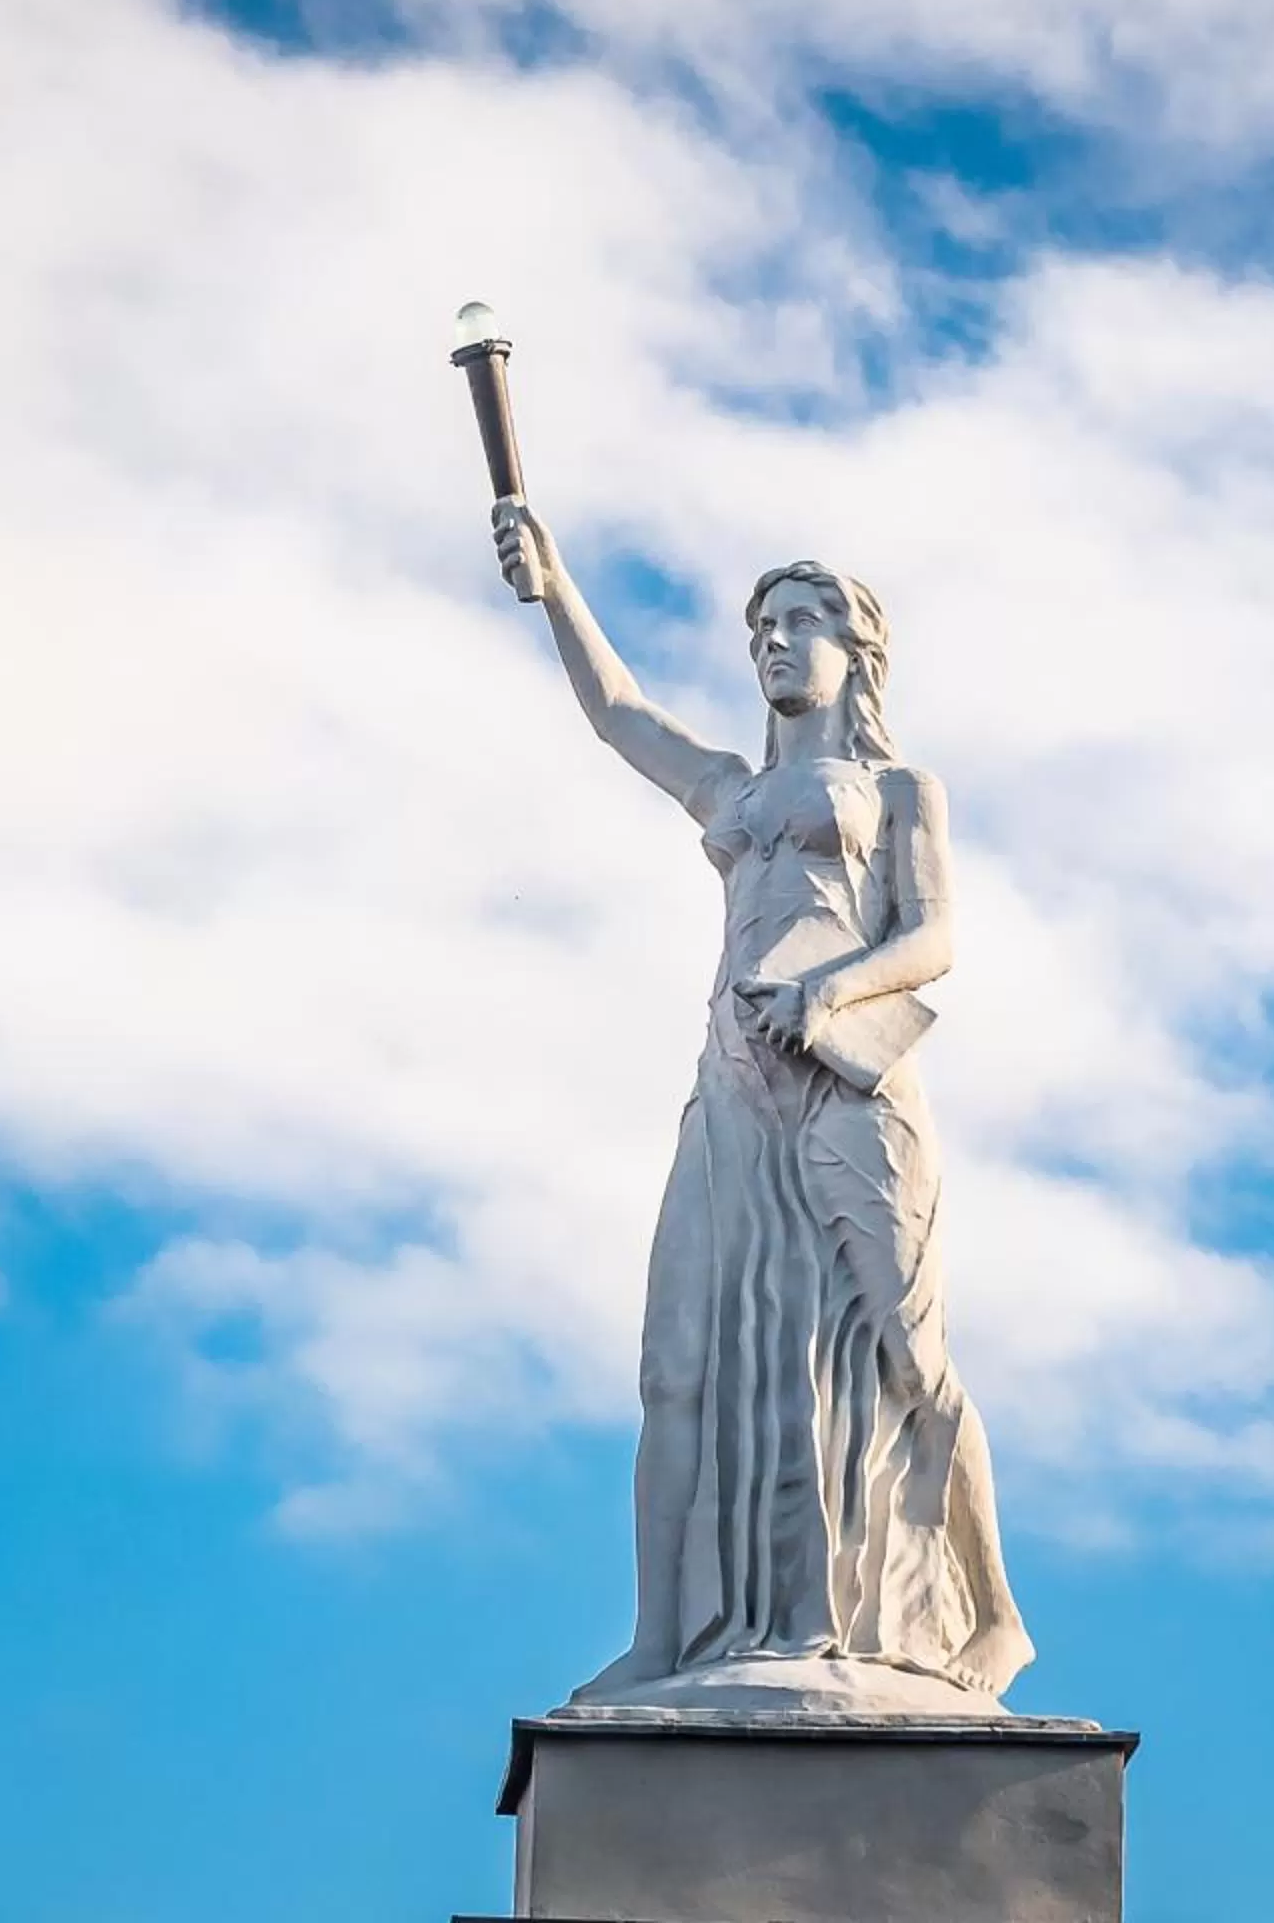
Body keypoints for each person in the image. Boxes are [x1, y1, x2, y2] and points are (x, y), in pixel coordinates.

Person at [495, 500, 1034, 1703]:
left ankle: (993, 1612)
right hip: (735, 1091)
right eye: (761, 630)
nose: (774, 644)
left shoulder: (898, 787)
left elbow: (933, 933)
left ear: (858, 650)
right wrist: (556, 588)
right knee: (678, 1358)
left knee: (907, 1348)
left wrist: (832, 987)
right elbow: (620, 715)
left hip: (852, 1084)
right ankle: (662, 1635)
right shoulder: (732, 789)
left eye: (800, 622)